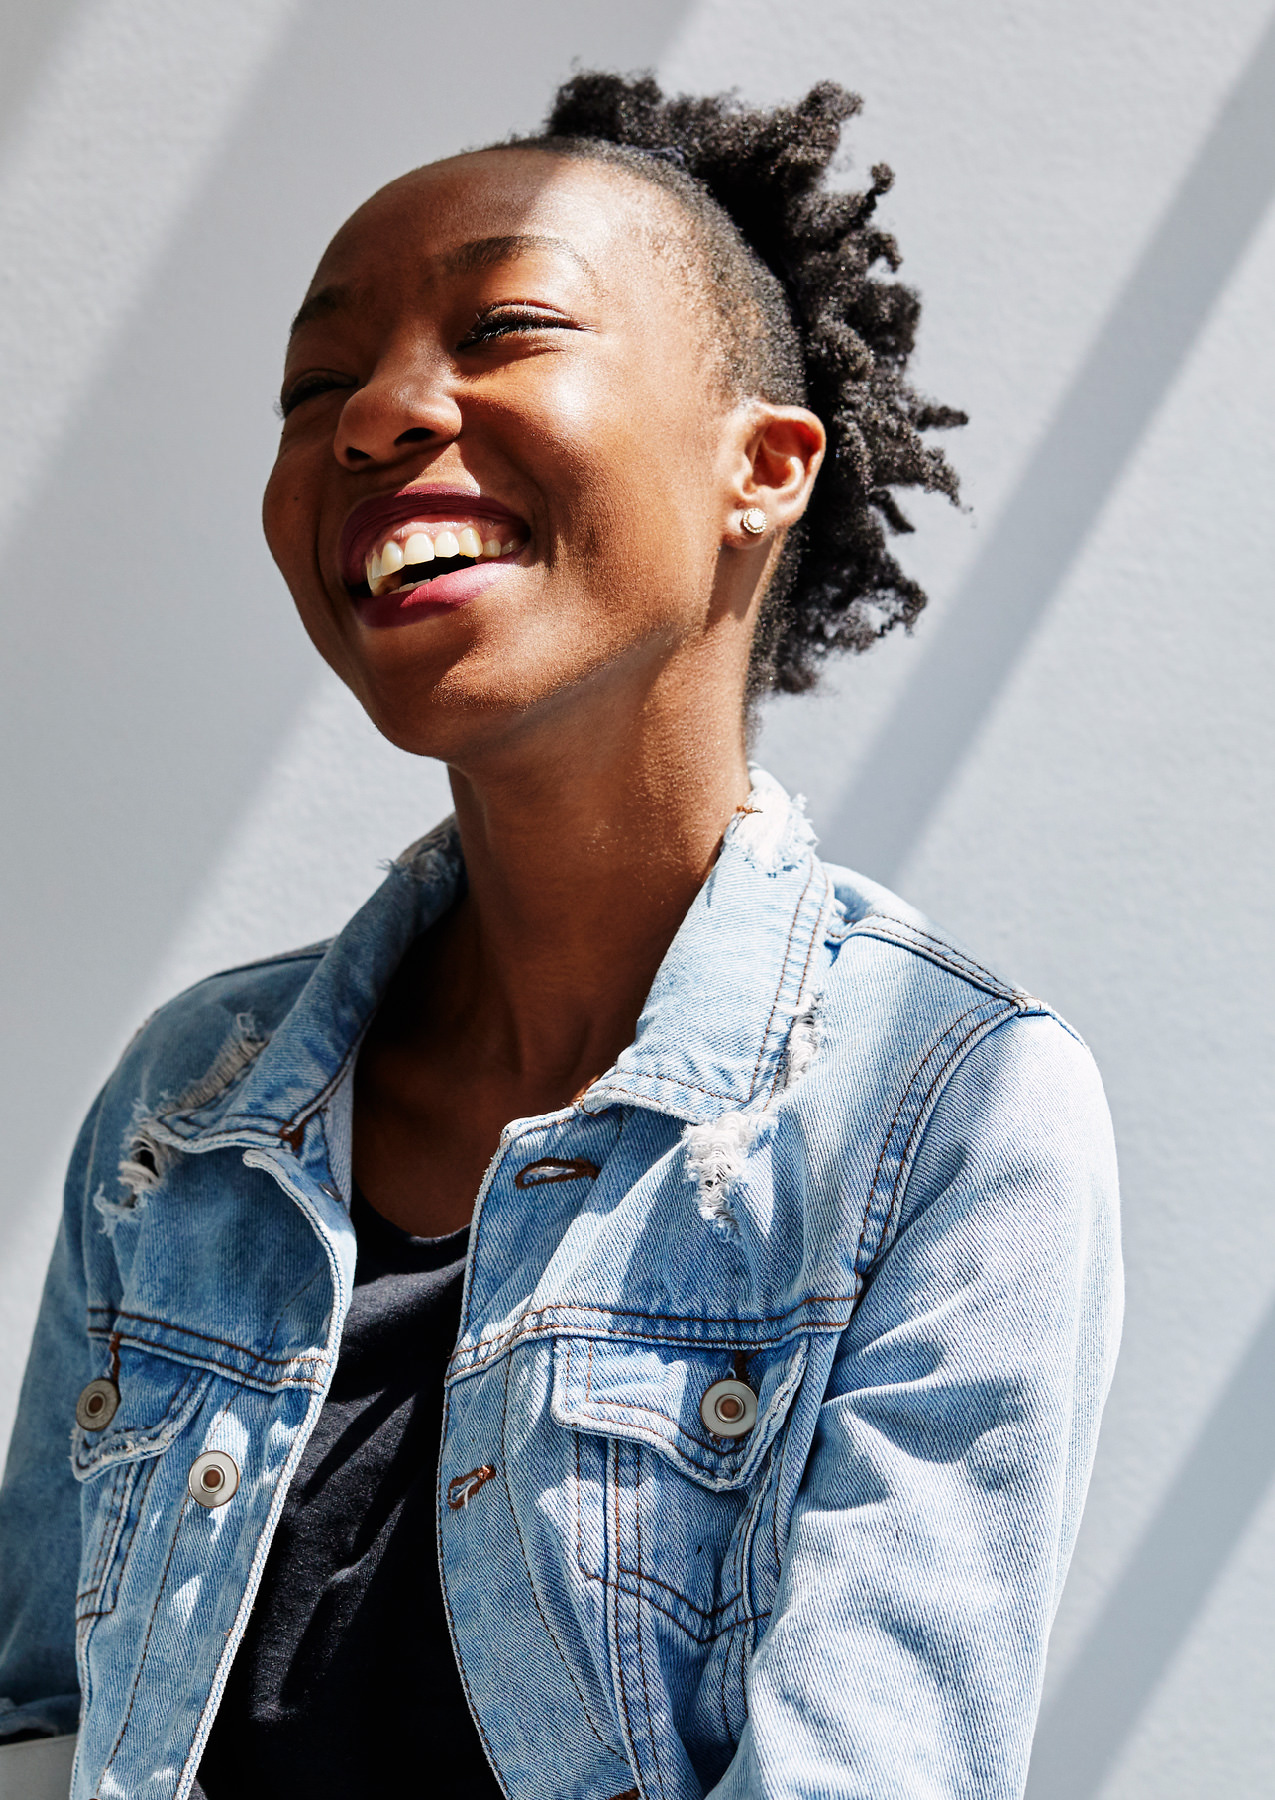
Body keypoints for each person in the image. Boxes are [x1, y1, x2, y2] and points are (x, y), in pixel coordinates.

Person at [0, 71, 1121, 1800]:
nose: (376, 414)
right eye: (316, 383)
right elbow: (46, 1717)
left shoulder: (945, 1110)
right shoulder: (186, 1109)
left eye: (506, 328)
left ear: (763, 466)